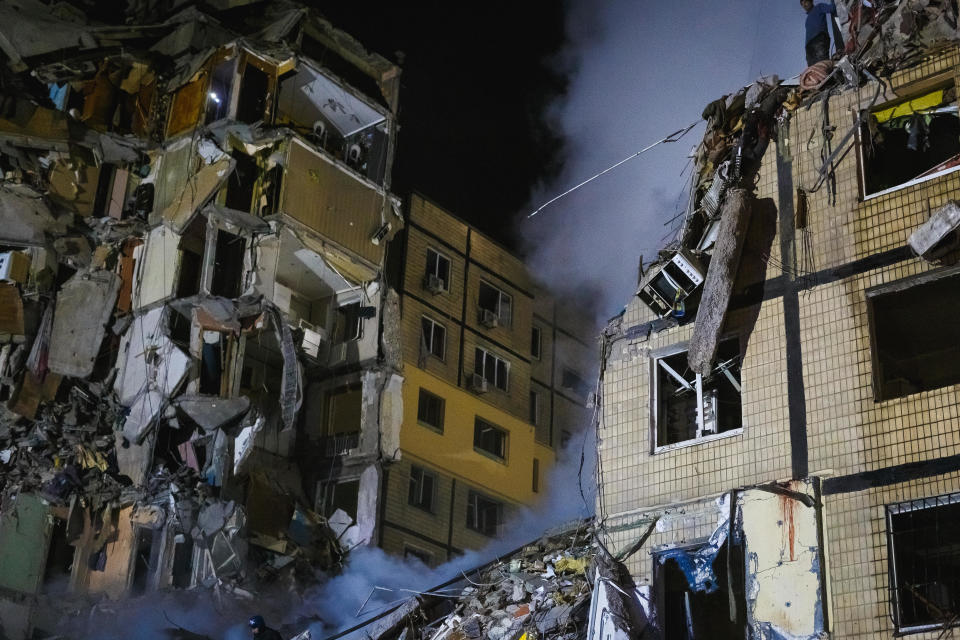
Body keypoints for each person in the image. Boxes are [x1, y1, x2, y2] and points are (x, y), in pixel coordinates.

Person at [801, 0, 845, 67]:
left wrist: (834, 1)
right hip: (809, 47)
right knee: (813, 69)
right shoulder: (807, 20)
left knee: (823, 64)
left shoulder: (819, 7)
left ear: (811, 1)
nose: (804, 5)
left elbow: (832, 8)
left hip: (819, 39)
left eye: (805, 2)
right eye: (802, 4)